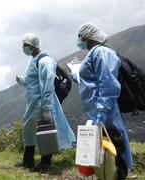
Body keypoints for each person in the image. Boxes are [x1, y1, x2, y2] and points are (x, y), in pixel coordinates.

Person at [72, 23, 133, 172]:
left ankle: (120, 171)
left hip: (105, 107)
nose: (79, 40)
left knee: (114, 140)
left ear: (86, 37)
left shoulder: (102, 53)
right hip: (96, 106)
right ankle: (106, 172)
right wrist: (78, 76)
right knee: (104, 145)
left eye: (80, 37)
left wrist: (103, 108)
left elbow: (108, 83)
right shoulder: (95, 53)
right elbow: (94, 79)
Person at [15, 33, 76, 172]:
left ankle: (45, 162)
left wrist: (47, 105)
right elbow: (32, 83)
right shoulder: (33, 59)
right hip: (32, 102)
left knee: (45, 131)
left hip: (42, 102)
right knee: (28, 130)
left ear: (33, 46)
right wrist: (22, 81)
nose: (23, 48)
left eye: (26, 45)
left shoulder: (45, 61)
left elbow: (48, 84)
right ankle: (28, 160)